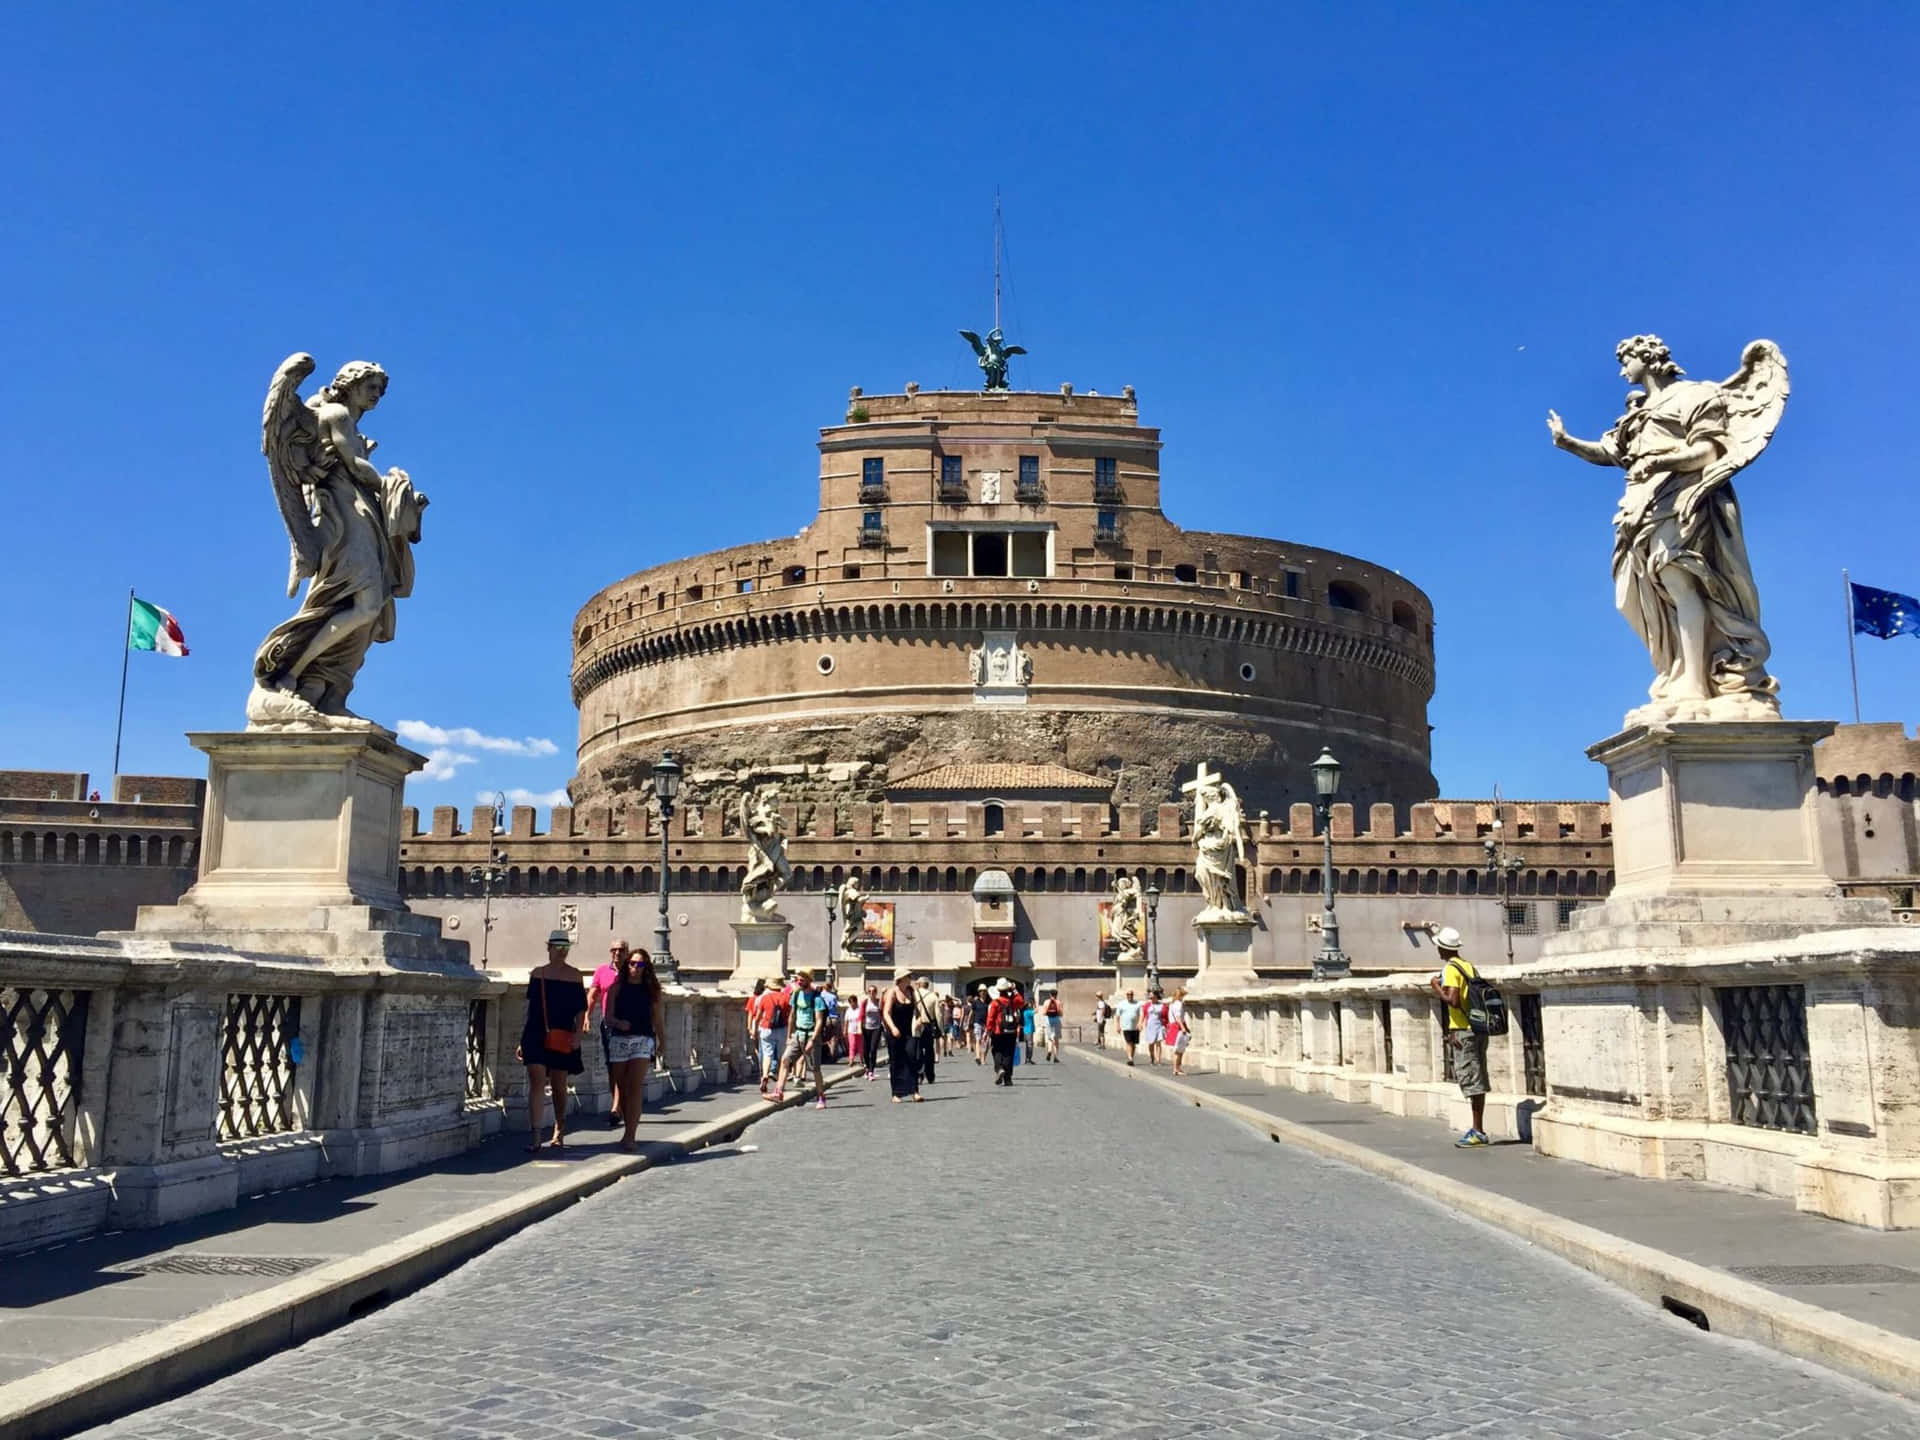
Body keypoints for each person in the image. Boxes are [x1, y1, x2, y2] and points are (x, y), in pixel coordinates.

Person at [518, 929, 588, 1153]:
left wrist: (577, 1034)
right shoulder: (537, 974)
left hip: (563, 1033)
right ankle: (537, 1135)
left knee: (559, 1084)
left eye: (565, 948)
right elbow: (531, 1009)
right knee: (537, 1080)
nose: (562, 952)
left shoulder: (576, 976)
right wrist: (522, 1040)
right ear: (548, 947)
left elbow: (580, 1009)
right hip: (536, 1032)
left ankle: (559, 1126)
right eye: (558, 947)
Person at [1422, 924, 1491, 1147]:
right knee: (1478, 1077)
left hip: (1465, 1031)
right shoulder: (1468, 966)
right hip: (1478, 1028)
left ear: (1442, 948)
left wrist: (1435, 987)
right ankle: (1477, 1129)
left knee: (1471, 1080)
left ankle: (1478, 1131)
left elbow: (1453, 1000)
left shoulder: (1451, 969)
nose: (1438, 951)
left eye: (1438, 947)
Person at [605, 946, 663, 1152]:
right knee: (623, 1087)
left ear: (646, 967)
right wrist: (618, 1023)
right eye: (632, 963)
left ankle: (630, 1135)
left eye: (640, 964)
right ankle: (625, 1125)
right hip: (619, 1040)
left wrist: (661, 1041)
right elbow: (607, 1017)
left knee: (635, 1087)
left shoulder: (651, 990)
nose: (636, 968)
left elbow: (657, 1019)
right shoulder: (616, 987)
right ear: (626, 964)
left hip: (642, 1040)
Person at [587, 938, 629, 1125]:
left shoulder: (634, 971)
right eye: (614, 950)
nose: (617, 953)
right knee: (613, 1068)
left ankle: (616, 1107)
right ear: (610, 952)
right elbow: (593, 995)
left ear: (627, 952)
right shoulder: (602, 972)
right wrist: (586, 1016)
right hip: (609, 1026)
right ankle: (618, 1105)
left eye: (621, 950)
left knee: (625, 1068)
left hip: (630, 1026)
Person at [775, 969, 828, 1109]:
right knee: (785, 1059)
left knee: (815, 1069)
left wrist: (812, 1040)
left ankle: (821, 1096)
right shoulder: (796, 994)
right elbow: (792, 1016)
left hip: (811, 1036)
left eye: (803, 977)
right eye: (798, 977)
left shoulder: (817, 999)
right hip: (798, 1035)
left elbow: (819, 1021)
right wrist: (789, 1036)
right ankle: (778, 1091)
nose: (799, 980)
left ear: (809, 979)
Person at [883, 972, 922, 1103]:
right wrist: (893, 1028)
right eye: (907, 977)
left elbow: (917, 1010)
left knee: (912, 1058)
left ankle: (915, 1091)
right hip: (894, 1032)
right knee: (896, 1061)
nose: (910, 979)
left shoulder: (911, 992)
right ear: (900, 979)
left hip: (908, 1032)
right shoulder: (892, 993)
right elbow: (886, 1013)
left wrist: (918, 1020)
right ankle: (896, 1093)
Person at [752, 974, 789, 1095]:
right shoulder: (786, 997)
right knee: (781, 1056)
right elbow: (789, 1015)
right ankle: (778, 1082)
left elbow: (757, 1017)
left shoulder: (764, 998)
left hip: (766, 1028)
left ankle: (765, 1075)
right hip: (782, 1029)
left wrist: (754, 1030)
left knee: (767, 1055)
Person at [984, 980, 1024, 1087]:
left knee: (997, 1051)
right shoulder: (1012, 1002)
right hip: (1011, 1031)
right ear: (1008, 989)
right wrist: (1014, 990)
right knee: (1009, 1054)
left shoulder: (995, 1003)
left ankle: (999, 1068)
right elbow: (1021, 1001)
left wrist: (988, 1031)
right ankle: (1008, 1079)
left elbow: (990, 1019)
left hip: (998, 1032)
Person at [913, 977, 942, 1084]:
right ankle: (930, 1075)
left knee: (917, 1050)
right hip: (928, 1025)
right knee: (929, 1051)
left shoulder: (913, 995)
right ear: (927, 985)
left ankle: (919, 1074)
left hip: (915, 1025)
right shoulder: (933, 996)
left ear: (919, 984)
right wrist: (940, 1029)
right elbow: (938, 1015)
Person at [1111, 989, 1144, 1066]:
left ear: (1133, 995)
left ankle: (1131, 1057)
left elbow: (1142, 1014)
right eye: (1128, 994)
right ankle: (1130, 1058)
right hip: (1126, 1026)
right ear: (1126, 995)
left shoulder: (1138, 1004)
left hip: (1135, 1027)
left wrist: (1140, 1023)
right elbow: (1117, 1016)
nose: (1130, 996)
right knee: (1129, 1042)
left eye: (1131, 994)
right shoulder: (1121, 1004)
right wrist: (1117, 1026)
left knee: (1133, 1044)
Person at [861, 984, 884, 1080]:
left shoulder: (879, 1002)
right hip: (866, 1027)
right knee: (866, 1051)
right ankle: (867, 1067)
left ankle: (871, 1071)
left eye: (873, 991)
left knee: (873, 1049)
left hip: (877, 1027)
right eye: (869, 991)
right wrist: (859, 1027)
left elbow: (882, 1011)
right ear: (867, 993)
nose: (871, 993)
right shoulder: (865, 1002)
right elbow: (861, 1015)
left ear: (876, 992)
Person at [1142, 989, 1170, 1066]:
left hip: (1159, 1026)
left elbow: (1166, 1016)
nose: (1151, 999)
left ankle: (1158, 1060)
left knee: (1158, 1043)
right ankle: (1152, 1058)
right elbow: (1143, 1014)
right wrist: (1140, 1023)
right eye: (1150, 997)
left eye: (1152, 997)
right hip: (1150, 1026)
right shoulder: (1147, 1005)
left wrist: (1167, 1026)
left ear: (1157, 997)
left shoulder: (1162, 1006)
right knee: (1151, 1043)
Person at [1169, 988, 1191, 1078]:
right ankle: (1176, 1069)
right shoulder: (1178, 1004)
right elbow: (1178, 1017)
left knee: (1178, 1050)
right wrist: (1183, 1028)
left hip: (1174, 1026)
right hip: (1178, 1027)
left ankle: (1177, 1068)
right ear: (1180, 995)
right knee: (1179, 1050)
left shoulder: (1173, 1004)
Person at [968, 986, 990, 1064]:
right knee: (978, 1039)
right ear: (979, 992)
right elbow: (971, 1012)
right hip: (977, 1023)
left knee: (986, 1042)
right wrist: (968, 1022)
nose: (983, 992)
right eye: (981, 991)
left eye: (984, 991)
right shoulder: (975, 1002)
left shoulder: (988, 1002)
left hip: (986, 1024)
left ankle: (983, 1058)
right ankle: (977, 1056)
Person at [1040, 988, 1062, 1062]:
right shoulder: (1058, 1002)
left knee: (1050, 1038)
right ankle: (1055, 1057)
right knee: (1056, 1039)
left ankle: (1049, 1051)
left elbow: (1043, 1013)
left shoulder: (1046, 1002)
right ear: (1056, 995)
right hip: (1056, 1020)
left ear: (1050, 994)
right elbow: (1060, 1013)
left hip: (1048, 1020)